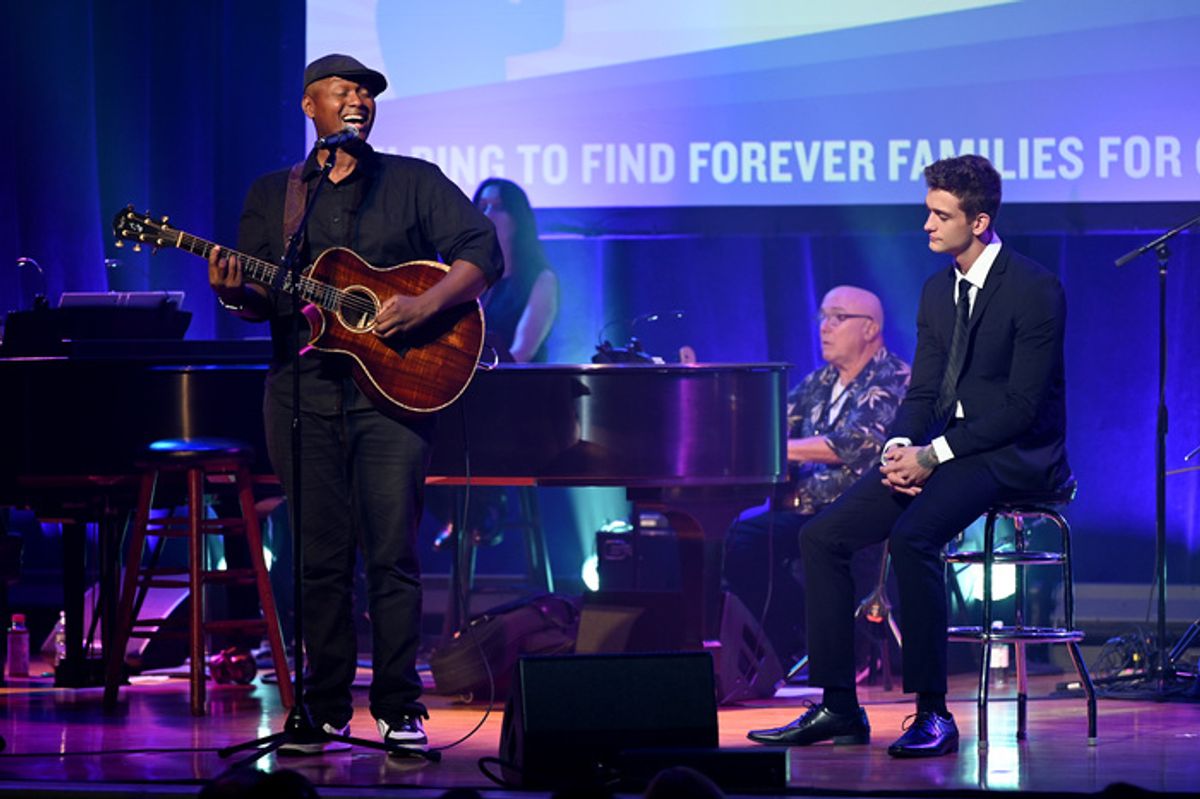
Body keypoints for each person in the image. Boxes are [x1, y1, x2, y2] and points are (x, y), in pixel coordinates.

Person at [207, 54, 503, 753]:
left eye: (368, 92)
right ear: (309, 106)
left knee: (392, 553)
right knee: (317, 558)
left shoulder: (412, 182)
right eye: (344, 89)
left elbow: (483, 252)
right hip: (301, 392)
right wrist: (231, 290)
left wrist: (426, 303)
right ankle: (323, 705)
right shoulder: (276, 196)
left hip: (396, 392)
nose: (359, 100)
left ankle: (399, 704)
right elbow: (262, 299)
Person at [747, 154, 1070, 758]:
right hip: (946, 448)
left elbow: (1023, 408)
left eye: (941, 215)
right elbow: (923, 393)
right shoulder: (936, 291)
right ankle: (839, 707)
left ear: (978, 222)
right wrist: (900, 447)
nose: (927, 224)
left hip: (1012, 454)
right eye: (928, 211)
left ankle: (932, 712)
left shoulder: (1034, 289)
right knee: (822, 536)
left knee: (914, 538)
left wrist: (933, 454)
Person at [722, 286, 909, 663]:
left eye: (837, 318)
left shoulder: (893, 376)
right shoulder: (818, 383)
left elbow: (856, 443)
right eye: (822, 317)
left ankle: (831, 645)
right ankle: (790, 640)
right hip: (808, 510)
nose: (825, 327)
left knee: (814, 539)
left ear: (870, 328)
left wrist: (777, 449)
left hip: (865, 512)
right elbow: (773, 424)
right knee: (739, 541)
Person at [472, 177, 558, 363]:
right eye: (482, 206)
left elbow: (521, 353)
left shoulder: (542, 280)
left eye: (498, 207)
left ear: (517, 220)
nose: (488, 214)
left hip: (516, 379)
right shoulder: (470, 275)